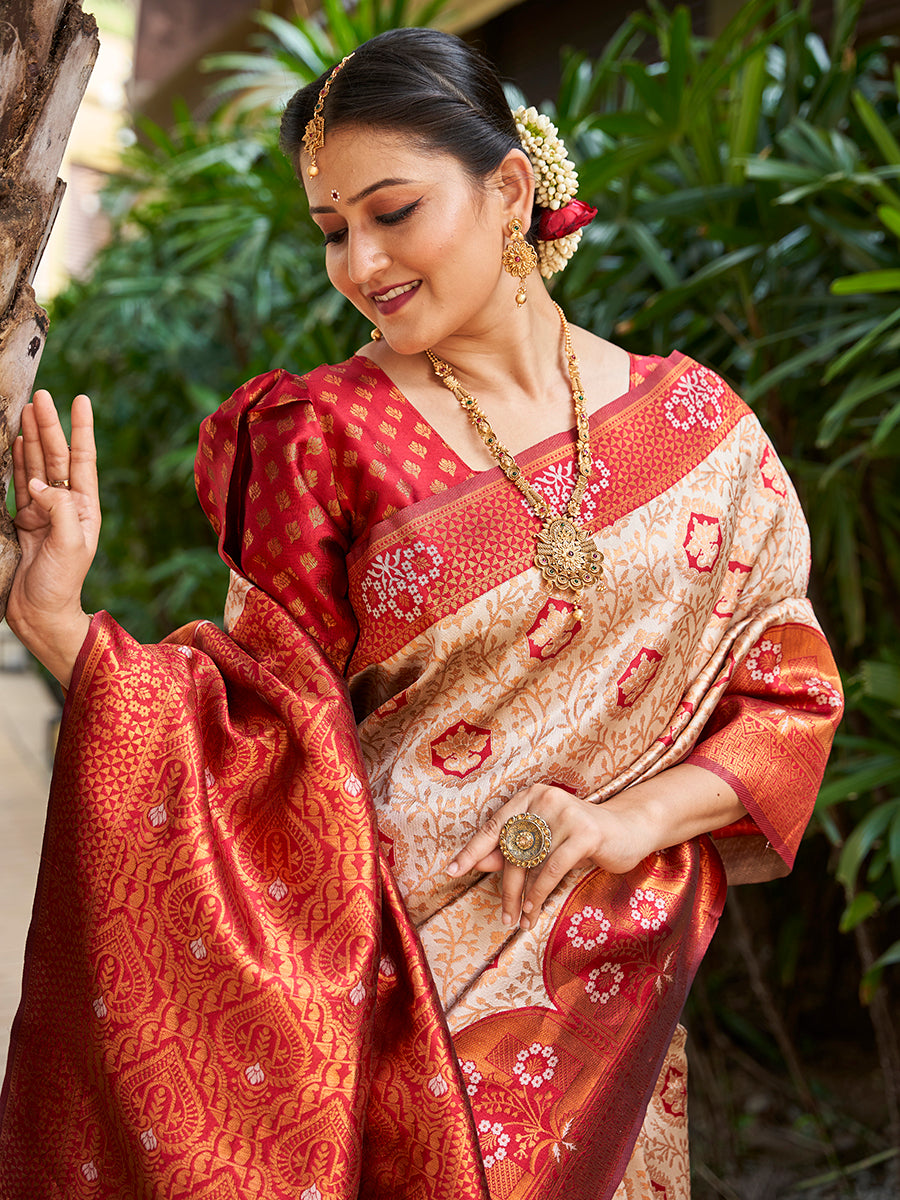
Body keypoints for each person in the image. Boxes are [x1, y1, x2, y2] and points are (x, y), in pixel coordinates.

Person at [0, 27, 842, 1200]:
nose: (360, 263)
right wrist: (58, 625)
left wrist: (625, 825)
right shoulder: (319, 437)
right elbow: (258, 733)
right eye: (335, 231)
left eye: (393, 212)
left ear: (509, 188)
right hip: (386, 1015)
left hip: (601, 1018)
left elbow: (787, 695)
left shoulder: (700, 428)